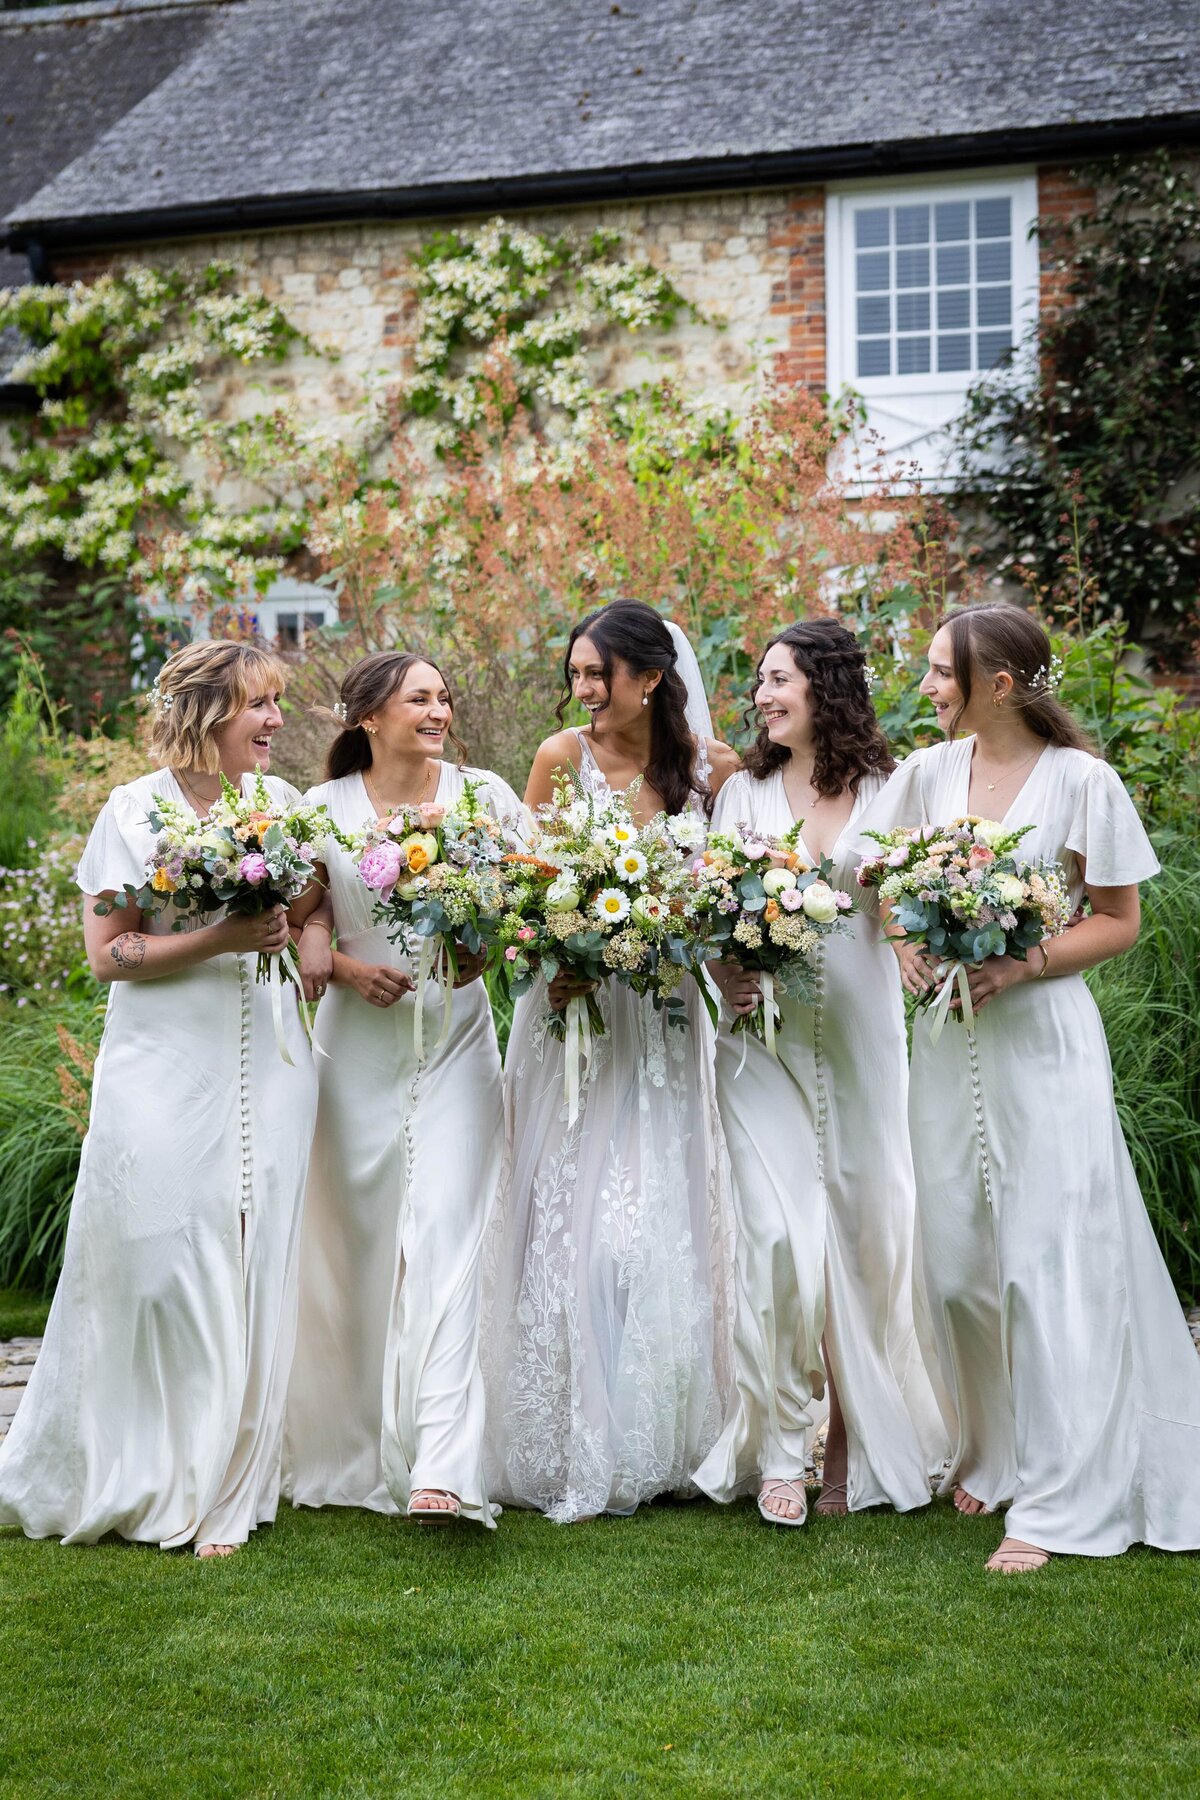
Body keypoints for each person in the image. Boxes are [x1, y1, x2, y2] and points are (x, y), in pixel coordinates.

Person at [862, 602, 1200, 1570]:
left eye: (938, 673)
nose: (923, 689)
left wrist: (1026, 962)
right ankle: (996, 1449)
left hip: (1040, 1044)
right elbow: (878, 878)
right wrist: (902, 947)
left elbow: (1118, 919)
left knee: (1042, 1265)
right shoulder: (925, 776)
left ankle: (1058, 1497)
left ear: (998, 685)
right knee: (962, 1263)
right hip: (944, 1044)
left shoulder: (1081, 782)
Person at [0, 640, 316, 1556]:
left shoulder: (281, 808)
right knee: (159, 1257)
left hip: (273, 1062)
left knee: (250, 1255)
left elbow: (301, 921)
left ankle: (229, 1481)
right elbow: (110, 955)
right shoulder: (132, 811)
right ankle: (140, 1463)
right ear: (210, 711)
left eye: (278, 704)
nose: (276, 723)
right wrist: (221, 937)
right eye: (260, 704)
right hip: (162, 1062)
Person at [481, 600, 740, 1522]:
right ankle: (567, 1431)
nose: (583, 692)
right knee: (572, 1222)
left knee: (651, 1222)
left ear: (653, 679)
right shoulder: (560, 760)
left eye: (598, 675)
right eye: (577, 675)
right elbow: (526, 892)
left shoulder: (714, 772)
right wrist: (552, 964)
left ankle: (668, 1434)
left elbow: (733, 902)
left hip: (664, 1019)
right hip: (574, 1020)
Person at [694, 619, 948, 1527]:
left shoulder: (894, 785)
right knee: (775, 1242)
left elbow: (913, 895)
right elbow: (714, 909)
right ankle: (777, 1449)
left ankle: (847, 1440)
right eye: (758, 682)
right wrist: (728, 968)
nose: (762, 697)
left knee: (869, 1240)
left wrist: (925, 947)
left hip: (861, 1035)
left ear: (826, 687)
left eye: (778, 681)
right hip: (761, 1043)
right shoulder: (743, 794)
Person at [283, 651, 524, 1528]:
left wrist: (489, 946)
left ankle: (443, 1463)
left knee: (451, 1231)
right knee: (357, 1245)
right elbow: (298, 914)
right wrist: (344, 965)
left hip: (457, 1038)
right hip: (355, 1048)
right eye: (419, 698)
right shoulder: (323, 811)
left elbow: (528, 902)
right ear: (367, 717)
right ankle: (348, 1439)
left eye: (444, 697)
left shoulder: (484, 796)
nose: (439, 710)